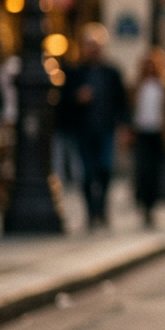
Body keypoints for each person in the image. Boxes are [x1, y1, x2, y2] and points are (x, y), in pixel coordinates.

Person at [62, 23, 128, 229]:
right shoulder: (75, 72)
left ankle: (102, 208)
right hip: (83, 130)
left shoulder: (111, 72)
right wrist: (76, 98)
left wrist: (125, 126)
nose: (93, 49)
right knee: (87, 173)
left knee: (105, 169)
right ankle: (91, 212)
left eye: (96, 45)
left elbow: (121, 101)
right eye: (89, 45)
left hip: (106, 129)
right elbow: (63, 101)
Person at [131, 48, 165, 228]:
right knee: (143, 170)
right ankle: (144, 205)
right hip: (141, 133)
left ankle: (154, 204)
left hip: (159, 134)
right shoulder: (137, 86)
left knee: (157, 172)